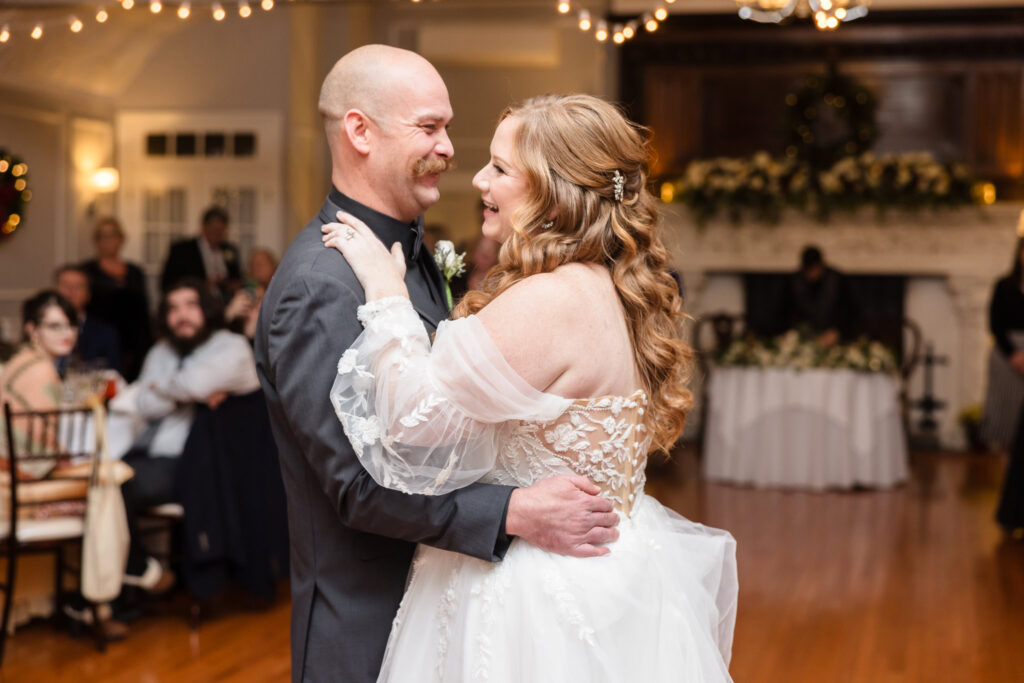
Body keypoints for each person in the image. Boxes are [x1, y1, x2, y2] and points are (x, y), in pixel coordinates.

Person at [323, 94, 737, 681]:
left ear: (553, 191)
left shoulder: (550, 299)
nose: (477, 179)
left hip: (533, 593)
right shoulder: (607, 286)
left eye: (499, 168)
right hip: (613, 574)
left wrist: (386, 293)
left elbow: (411, 425)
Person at [254, 46, 620, 683]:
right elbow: (358, 485)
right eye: (429, 128)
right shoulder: (323, 282)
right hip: (366, 627)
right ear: (359, 132)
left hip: (455, 613)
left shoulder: (410, 257)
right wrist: (512, 510)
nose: (451, 149)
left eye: (447, 128)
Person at [120, 278, 260, 594]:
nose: (181, 315)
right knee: (103, 477)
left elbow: (194, 386)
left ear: (207, 309)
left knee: (117, 485)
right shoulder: (161, 350)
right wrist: (183, 388)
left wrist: (166, 386)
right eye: (173, 308)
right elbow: (145, 404)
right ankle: (129, 578)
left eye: (190, 305)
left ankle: (133, 575)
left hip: (193, 464)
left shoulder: (231, 345)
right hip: (144, 452)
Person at [79, 216, 153, 382]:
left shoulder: (135, 272)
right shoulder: (87, 271)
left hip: (134, 342)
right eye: (103, 236)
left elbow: (143, 311)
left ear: (121, 239)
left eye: (113, 235)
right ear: (96, 241)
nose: (109, 240)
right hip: (100, 342)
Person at [983, 237, 1024, 456]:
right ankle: (1008, 483)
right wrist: (1015, 354)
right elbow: (995, 324)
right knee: (1006, 419)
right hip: (1006, 355)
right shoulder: (1004, 285)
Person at [54, 264, 122, 377]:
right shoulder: (38, 331)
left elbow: (112, 377)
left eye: (77, 287)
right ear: (54, 291)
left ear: (88, 295)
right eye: (65, 285)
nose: (70, 292)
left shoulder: (105, 333)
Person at [160, 206, 241, 299]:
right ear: (204, 227)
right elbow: (168, 283)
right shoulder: (182, 250)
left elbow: (236, 279)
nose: (217, 234)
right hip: (196, 301)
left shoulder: (230, 250)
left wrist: (228, 284)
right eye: (214, 229)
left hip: (225, 303)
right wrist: (204, 284)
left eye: (221, 231)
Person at [785, 245, 859, 346]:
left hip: (833, 339)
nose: (811, 274)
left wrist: (838, 331)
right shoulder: (794, 282)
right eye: (808, 270)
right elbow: (785, 313)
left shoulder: (837, 281)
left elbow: (850, 312)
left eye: (814, 269)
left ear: (821, 266)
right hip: (802, 340)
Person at [225, 247, 278, 341]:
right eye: (252, 265)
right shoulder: (243, 295)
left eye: (261, 264)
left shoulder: (280, 295)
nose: (256, 268)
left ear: (274, 267)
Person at [449, 232, 500, 301]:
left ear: (497, 255)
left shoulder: (500, 284)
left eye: (490, 251)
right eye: (481, 248)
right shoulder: (456, 279)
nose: (484, 255)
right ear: (473, 250)